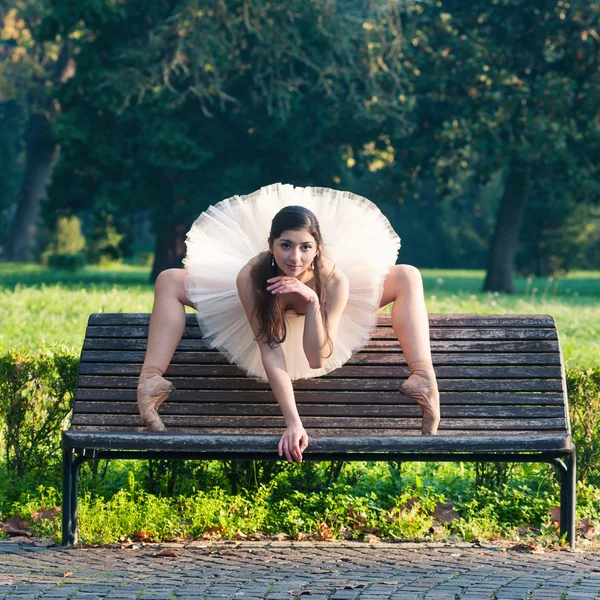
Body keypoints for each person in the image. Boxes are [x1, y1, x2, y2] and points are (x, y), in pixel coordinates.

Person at [136, 183, 440, 463]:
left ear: (318, 248)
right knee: (169, 280)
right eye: (285, 245)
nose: (295, 258)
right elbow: (269, 347)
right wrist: (293, 422)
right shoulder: (251, 276)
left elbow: (317, 356)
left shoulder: (335, 280)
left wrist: (312, 303)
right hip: (261, 301)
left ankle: (423, 379)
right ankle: (151, 380)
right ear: (270, 244)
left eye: (305, 247)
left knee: (407, 275)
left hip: (321, 304)